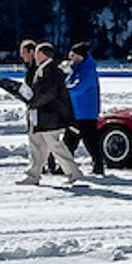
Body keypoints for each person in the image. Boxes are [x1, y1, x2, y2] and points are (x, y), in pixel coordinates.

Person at [21, 41, 83, 184]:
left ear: (41, 54)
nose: (34, 56)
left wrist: (33, 101)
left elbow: (49, 93)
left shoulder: (51, 71)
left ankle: (74, 173)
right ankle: (33, 175)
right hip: (42, 117)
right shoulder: (44, 69)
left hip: (50, 117)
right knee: (37, 146)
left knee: (55, 147)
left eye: (36, 53)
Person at [64, 41, 106, 176]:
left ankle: (98, 165)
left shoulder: (88, 72)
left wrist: (63, 90)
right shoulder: (76, 70)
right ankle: (66, 165)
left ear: (80, 57)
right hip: (76, 112)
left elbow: (78, 89)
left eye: (73, 55)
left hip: (86, 113)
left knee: (90, 142)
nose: (71, 58)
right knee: (70, 141)